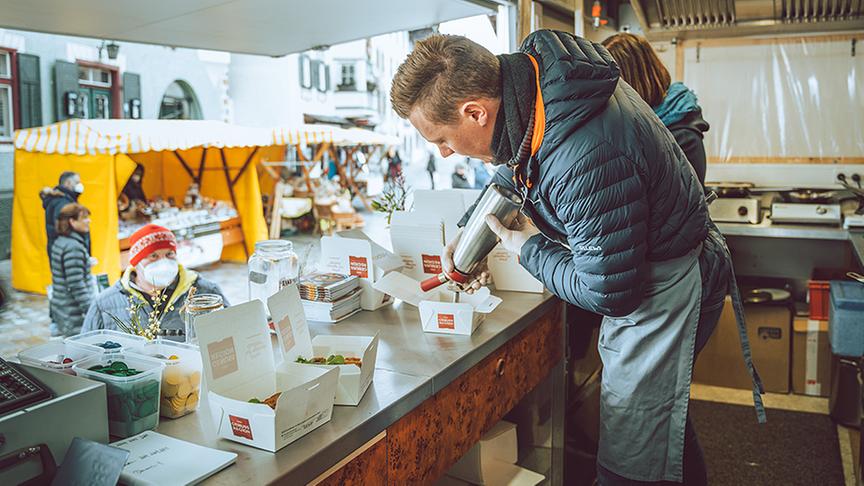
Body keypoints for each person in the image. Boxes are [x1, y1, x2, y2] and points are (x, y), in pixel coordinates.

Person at [390, 31, 764, 485]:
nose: (444, 152)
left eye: (441, 139)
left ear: (475, 112)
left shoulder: (582, 153)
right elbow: (515, 175)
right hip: (651, 264)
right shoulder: (536, 83)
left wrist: (525, 246)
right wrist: (471, 235)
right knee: (662, 426)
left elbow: (609, 291)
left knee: (634, 452)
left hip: (667, 284)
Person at [83, 224, 228, 339]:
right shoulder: (105, 303)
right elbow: (86, 350)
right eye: (153, 256)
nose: (163, 262)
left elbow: (232, 335)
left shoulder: (207, 292)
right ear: (136, 262)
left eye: (169, 254)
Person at [602, 33, 710, 186]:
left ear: (632, 81)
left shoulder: (682, 135)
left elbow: (683, 204)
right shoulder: (628, 123)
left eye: (614, 81)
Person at [49, 203, 94, 337]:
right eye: (84, 218)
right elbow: (76, 284)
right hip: (72, 311)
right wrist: (92, 309)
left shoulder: (61, 241)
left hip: (61, 306)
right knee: (75, 351)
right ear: (72, 221)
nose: (88, 221)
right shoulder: (73, 247)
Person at [41, 171, 85, 254]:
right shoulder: (62, 202)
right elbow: (64, 227)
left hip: (61, 248)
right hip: (68, 250)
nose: (80, 185)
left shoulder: (61, 200)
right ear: (68, 183)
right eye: (77, 182)